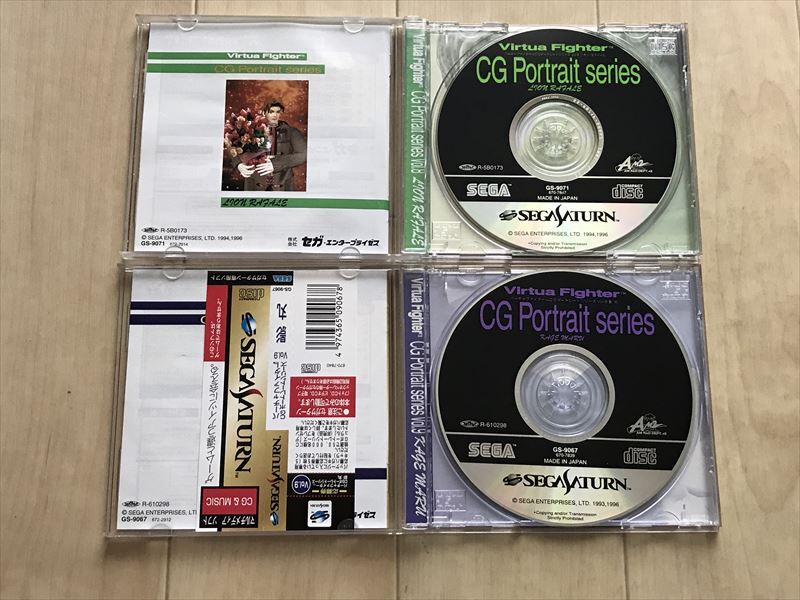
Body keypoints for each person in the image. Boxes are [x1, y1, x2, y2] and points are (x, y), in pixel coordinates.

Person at [236, 101, 307, 191]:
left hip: (282, 181)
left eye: (278, 112)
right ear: (264, 112)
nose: (275, 115)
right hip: (254, 180)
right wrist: (238, 164)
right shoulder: (250, 130)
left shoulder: (291, 132)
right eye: (271, 111)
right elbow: (234, 148)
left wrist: (276, 164)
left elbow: (303, 154)